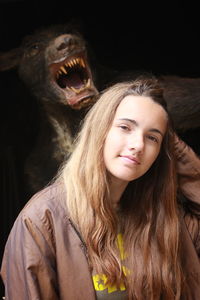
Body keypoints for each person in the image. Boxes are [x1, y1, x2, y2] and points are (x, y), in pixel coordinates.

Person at [1, 77, 200, 299]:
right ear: (99, 129)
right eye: (125, 127)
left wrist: (171, 140)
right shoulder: (43, 218)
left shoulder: (162, 217)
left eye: (152, 137)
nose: (138, 145)